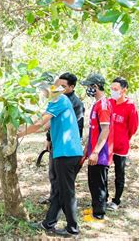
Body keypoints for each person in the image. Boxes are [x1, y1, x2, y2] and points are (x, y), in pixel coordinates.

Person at [18, 79, 83, 237]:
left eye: (43, 89)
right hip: (68, 152)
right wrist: (26, 127)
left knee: (67, 192)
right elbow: (46, 125)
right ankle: (49, 223)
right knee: (60, 191)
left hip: (66, 153)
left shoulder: (58, 100)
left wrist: (20, 133)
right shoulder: (61, 100)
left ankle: (72, 229)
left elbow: (41, 123)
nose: (43, 93)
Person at [42, 72, 84, 205]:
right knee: (54, 175)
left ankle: (61, 211)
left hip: (67, 147)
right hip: (57, 143)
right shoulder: (57, 98)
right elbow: (50, 122)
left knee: (64, 182)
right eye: (58, 85)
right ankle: (54, 201)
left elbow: (75, 127)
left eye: (63, 86)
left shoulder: (75, 103)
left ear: (71, 87)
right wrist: (49, 138)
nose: (59, 88)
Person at [80, 73, 113, 223]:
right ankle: (97, 208)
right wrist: (87, 148)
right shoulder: (97, 104)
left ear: (95, 86)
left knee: (97, 183)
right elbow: (94, 130)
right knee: (94, 182)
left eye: (89, 86)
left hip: (100, 153)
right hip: (94, 151)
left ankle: (98, 215)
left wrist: (95, 152)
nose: (88, 89)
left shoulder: (104, 105)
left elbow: (105, 130)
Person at [107, 77, 139, 211]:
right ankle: (104, 197)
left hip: (121, 146)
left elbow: (133, 127)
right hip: (106, 145)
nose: (113, 92)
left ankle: (116, 201)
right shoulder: (108, 103)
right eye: (111, 89)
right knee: (103, 172)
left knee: (119, 174)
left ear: (124, 90)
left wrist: (123, 138)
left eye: (116, 89)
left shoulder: (130, 106)